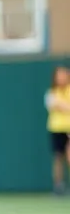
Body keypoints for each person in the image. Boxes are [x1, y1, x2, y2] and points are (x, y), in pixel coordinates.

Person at [45, 66, 70, 195]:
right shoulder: (52, 92)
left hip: (68, 129)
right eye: (59, 75)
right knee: (58, 158)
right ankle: (58, 186)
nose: (61, 77)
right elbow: (54, 105)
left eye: (64, 75)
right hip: (56, 129)